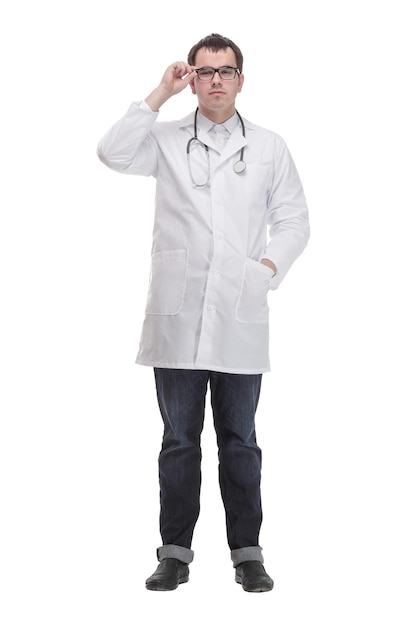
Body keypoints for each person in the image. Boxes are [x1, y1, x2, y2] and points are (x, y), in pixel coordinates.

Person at [97, 33, 309, 593]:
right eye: (204, 71)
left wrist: (264, 272)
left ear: (242, 79)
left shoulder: (269, 146)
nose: (216, 80)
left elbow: (294, 221)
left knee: (240, 440)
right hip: (179, 315)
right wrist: (157, 95)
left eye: (226, 71)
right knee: (179, 441)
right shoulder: (164, 140)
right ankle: (175, 555)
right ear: (191, 76)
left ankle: (247, 554)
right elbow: (111, 153)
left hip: (239, 313)